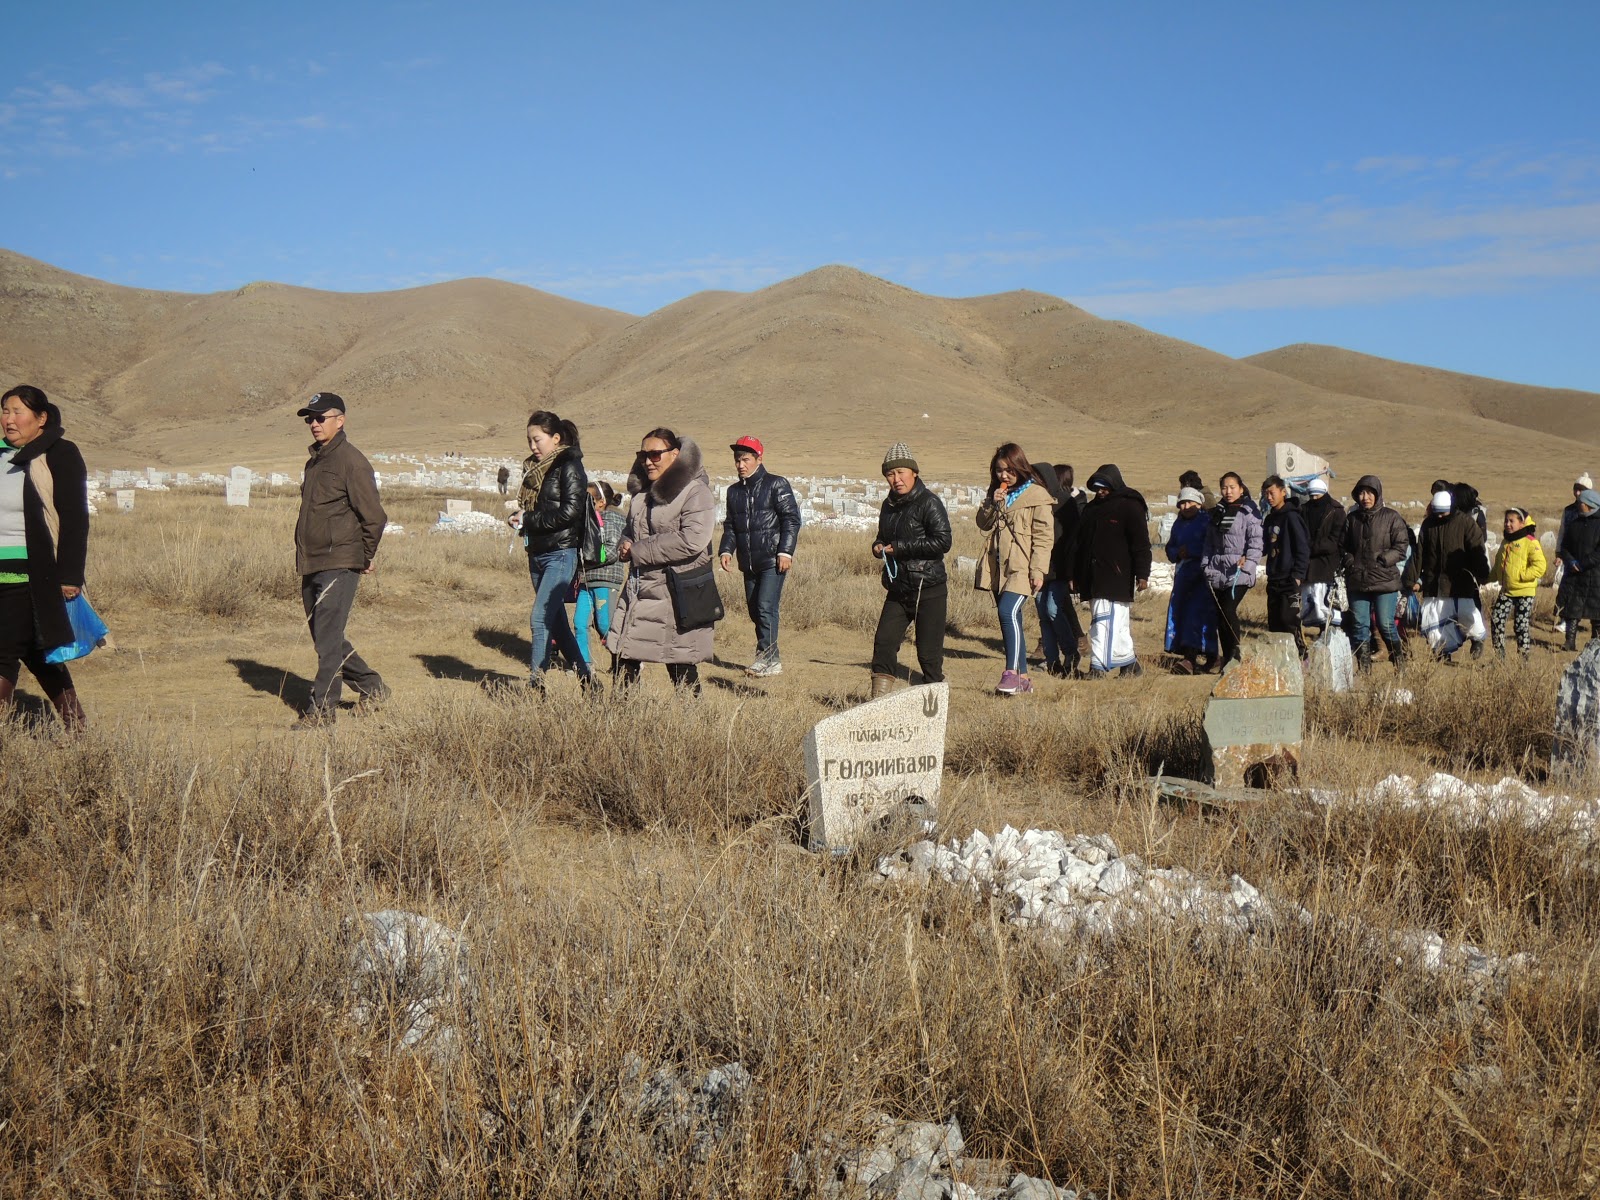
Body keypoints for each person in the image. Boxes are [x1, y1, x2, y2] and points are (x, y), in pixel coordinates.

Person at [292, 392, 390, 727]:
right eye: (310, 419)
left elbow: (374, 516)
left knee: (328, 636)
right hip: (312, 560)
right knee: (326, 636)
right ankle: (373, 687)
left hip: (340, 560)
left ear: (340, 420)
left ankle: (322, 711)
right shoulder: (315, 462)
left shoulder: (352, 461)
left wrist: (365, 555)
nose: (314, 424)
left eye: (321, 418)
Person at [0, 385, 89, 729]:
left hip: (32, 572)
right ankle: (78, 728)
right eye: (5, 411)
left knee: (4, 651)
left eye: (17, 412)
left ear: (41, 419)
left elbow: (74, 517)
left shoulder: (58, 454)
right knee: (38, 653)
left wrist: (70, 575)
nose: (9, 419)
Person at [608, 429, 718, 693]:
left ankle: (692, 717)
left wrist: (638, 550)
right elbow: (631, 530)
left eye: (655, 455)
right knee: (623, 655)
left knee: (679, 663)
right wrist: (624, 544)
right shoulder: (641, 495)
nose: (648, 461)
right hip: (638, 589)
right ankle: (621, 714)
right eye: (643, 455)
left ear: (675, 455)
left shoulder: (695, 492)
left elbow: (693, 539)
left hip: (675, 592)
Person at [508, 411, 592, 691]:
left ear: (556, 438)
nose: (533, 446)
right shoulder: (533, 470)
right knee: (557, 624)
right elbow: (533, 509)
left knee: (540, 617)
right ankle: (588, 682)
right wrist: (518, 518)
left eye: (538, 440)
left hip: (561, 552)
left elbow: (570, 512)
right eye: (529, 441)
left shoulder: (570, 466)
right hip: (537, 553)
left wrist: (529, 519)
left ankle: (537, 686)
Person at [870, 442, 952, 697]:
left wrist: (901, 547)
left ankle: (935, 704)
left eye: (900, 472)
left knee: (928, 655)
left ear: (914, 473)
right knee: (884, 643)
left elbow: (943, 541)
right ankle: (878, 702)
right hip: (898, 588)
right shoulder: (888, 505)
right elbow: (882, 536)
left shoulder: (929, 502)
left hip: (928, 588)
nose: (896, 479)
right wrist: (878, 546)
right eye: (890, 474)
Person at [718, 435, 801, 678]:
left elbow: (791, 519)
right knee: (755, 610)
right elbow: (731, 525)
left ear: (758, 459)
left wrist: (785, 551)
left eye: (745, 459)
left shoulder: (777, 484)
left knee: (766, 607)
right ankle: (768, 657)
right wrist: (726, 550)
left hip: (772, 559)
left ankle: (768, 658)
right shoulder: (734, 492)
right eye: (737, 460)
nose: (740, 465)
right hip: (748, 561)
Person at [975, 443, 1054, 695]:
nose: (1004, 475)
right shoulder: (997, 494)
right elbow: (983, 524)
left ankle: (1010, 673)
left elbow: (1043, 537)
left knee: (1007, 611)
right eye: (999, 470)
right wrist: (991, 503)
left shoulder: (1037, 495)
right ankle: (1023, 679)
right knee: (1012, 619)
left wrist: (1038, 571)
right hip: (999, 567)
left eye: (1010, 470)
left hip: (1023, 567)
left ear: (1020, 467)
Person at [1072, 464, 1151, 678]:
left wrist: (1143, 574)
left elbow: (1141, 543)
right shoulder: (1091, 509)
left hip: (1117, 575)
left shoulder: (1130, 506)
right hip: (1093, 575)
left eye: (1104, 487)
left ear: (1114, 484)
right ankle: (1130, 665)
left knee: (1104, 620)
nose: (1100, 491)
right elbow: (1080, 544)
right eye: (1097, 488)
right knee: (1117, 623)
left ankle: (1097, 667)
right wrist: (1075, 574)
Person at [1340, 474, 1410, 670]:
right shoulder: (1352, 519)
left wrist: (1384, 560)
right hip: (1358, 580)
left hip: (1384, 579)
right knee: (1359, 625)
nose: (1365, 497)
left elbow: (1401, 546)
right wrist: (1350, 561)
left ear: (1378, 494)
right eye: (1361, 493)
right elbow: (1343, 546)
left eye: (1370, 493)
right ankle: (1365, 671)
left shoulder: (1391, 517)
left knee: (1385, 624)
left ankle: (1400, 664)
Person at [1417, 488, 1489, 661]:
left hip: (1460, 581)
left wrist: (1482, 573)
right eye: (1437, 513)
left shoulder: (1465, 523)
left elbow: (1476, 550)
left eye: (1443, 513)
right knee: (1434, 618)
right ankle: (1442, 652)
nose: (1440, 516)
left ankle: (1477, 639)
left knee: (1467, 615)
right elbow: (1419, 553)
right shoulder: (1428, 524)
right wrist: (1413, 578)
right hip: (1434, 582)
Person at [1203, 471, 1264, 670]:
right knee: (1221, 615)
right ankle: (1227, 660)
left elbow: (1256, 542)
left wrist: (1248, 564)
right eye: (1224, 488)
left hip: (1239, 571)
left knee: (1228, 610)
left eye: (1232, 487)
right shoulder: (1218, 512)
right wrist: (1205, 565)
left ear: (1241, 489)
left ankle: (1236, 658)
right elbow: (1209, 543)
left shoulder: (1249, 512)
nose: (1228, 492)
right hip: (1217, 570)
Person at [1037, 462, 1086, 677]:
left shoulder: (1066, 503)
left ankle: (1071, 652)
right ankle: (1052, 660)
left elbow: (1074, 540)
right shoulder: (1037, 501)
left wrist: (1072, 571)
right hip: (1040, 566)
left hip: (1059, 566)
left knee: (1052, 608)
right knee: (1043, 612)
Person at [1163, 486, 1217, 674]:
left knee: (1197, 615)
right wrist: (1177, 553)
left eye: (1189, 503)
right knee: (1181, 613)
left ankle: (1192, 657)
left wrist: (1192, 552)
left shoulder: (1207, 523)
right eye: (1182, 503)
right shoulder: (1178, 524)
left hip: (1201, 576)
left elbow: (1211, 547)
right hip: (1183, 576)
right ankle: (1200, 655)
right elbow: (1170, 546)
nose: (1185, 507)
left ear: (1199, 504)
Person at [573, 481, 626, 672]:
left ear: (601, 502)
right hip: (586, 581)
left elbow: (613, 551)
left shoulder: (612, 521)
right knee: (580, 623)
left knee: (605, 624)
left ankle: (626, 660)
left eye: (587, 499)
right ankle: (584, 664)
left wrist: (587, 560)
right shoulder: (586, 521)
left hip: (605, 580)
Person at [1261, 475, 1310, 660]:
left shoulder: (1292, 517)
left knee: (1289, 620)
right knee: (1274, 623)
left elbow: (1302, 547)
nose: (1269, 497)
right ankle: (1281, 662)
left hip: (1289, 577)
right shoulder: (1270, 519)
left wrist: (1298, 575)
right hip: (1274, 576)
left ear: (1283, 492)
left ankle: (1301, 657)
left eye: (1272, 493)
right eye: (1266, 494)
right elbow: (1265, 546)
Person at [1491, 508, 1546, 658]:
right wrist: (1486, 578)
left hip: (1525, 592)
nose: (1507, 524)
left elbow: (1540, 566)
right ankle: (1499, 658)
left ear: (1522, 523)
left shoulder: (1530, 542)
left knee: (1520, 626)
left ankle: (1523, 659)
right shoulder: (1506, 541)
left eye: (1512, 521)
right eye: (1506, 521)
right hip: (1507, 591)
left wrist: (1521, 576)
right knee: (1496, 620)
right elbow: (1498, 566)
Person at [1299, 476, 1346, 632]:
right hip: (1309, 566)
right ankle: (1321, 633)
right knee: (1313, 601)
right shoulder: (1304, 510)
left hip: (1328, 565)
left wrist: (1309, 547)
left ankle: (1330, 635)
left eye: (1317, 495)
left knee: (1328, 602)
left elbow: (1335, 540)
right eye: (1311, 495)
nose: (1314, 499)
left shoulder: (1336, 511)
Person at [1559, 489, 1600, 651]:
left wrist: (1583, 564)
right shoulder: (1575, 523)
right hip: (1574, 574)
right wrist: (1571, 561)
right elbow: (1565, 546)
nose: (1578, 505)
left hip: (1595, 574)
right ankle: (1569, 642)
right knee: (1572, 608)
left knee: (1597, 612)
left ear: (1589, 504)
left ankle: (1595, 644)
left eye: (1580, 502)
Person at [1555, 473, 1592, 632]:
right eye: (1575, 489)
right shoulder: (1569, 510)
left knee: (1588, 592)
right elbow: (1562, 532)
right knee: (1566, 589)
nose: (1577, 493)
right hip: (1570, 556)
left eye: (1581, 490)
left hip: (1589, 557)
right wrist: (1559, 553)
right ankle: (1565, 620)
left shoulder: (1594, 512)